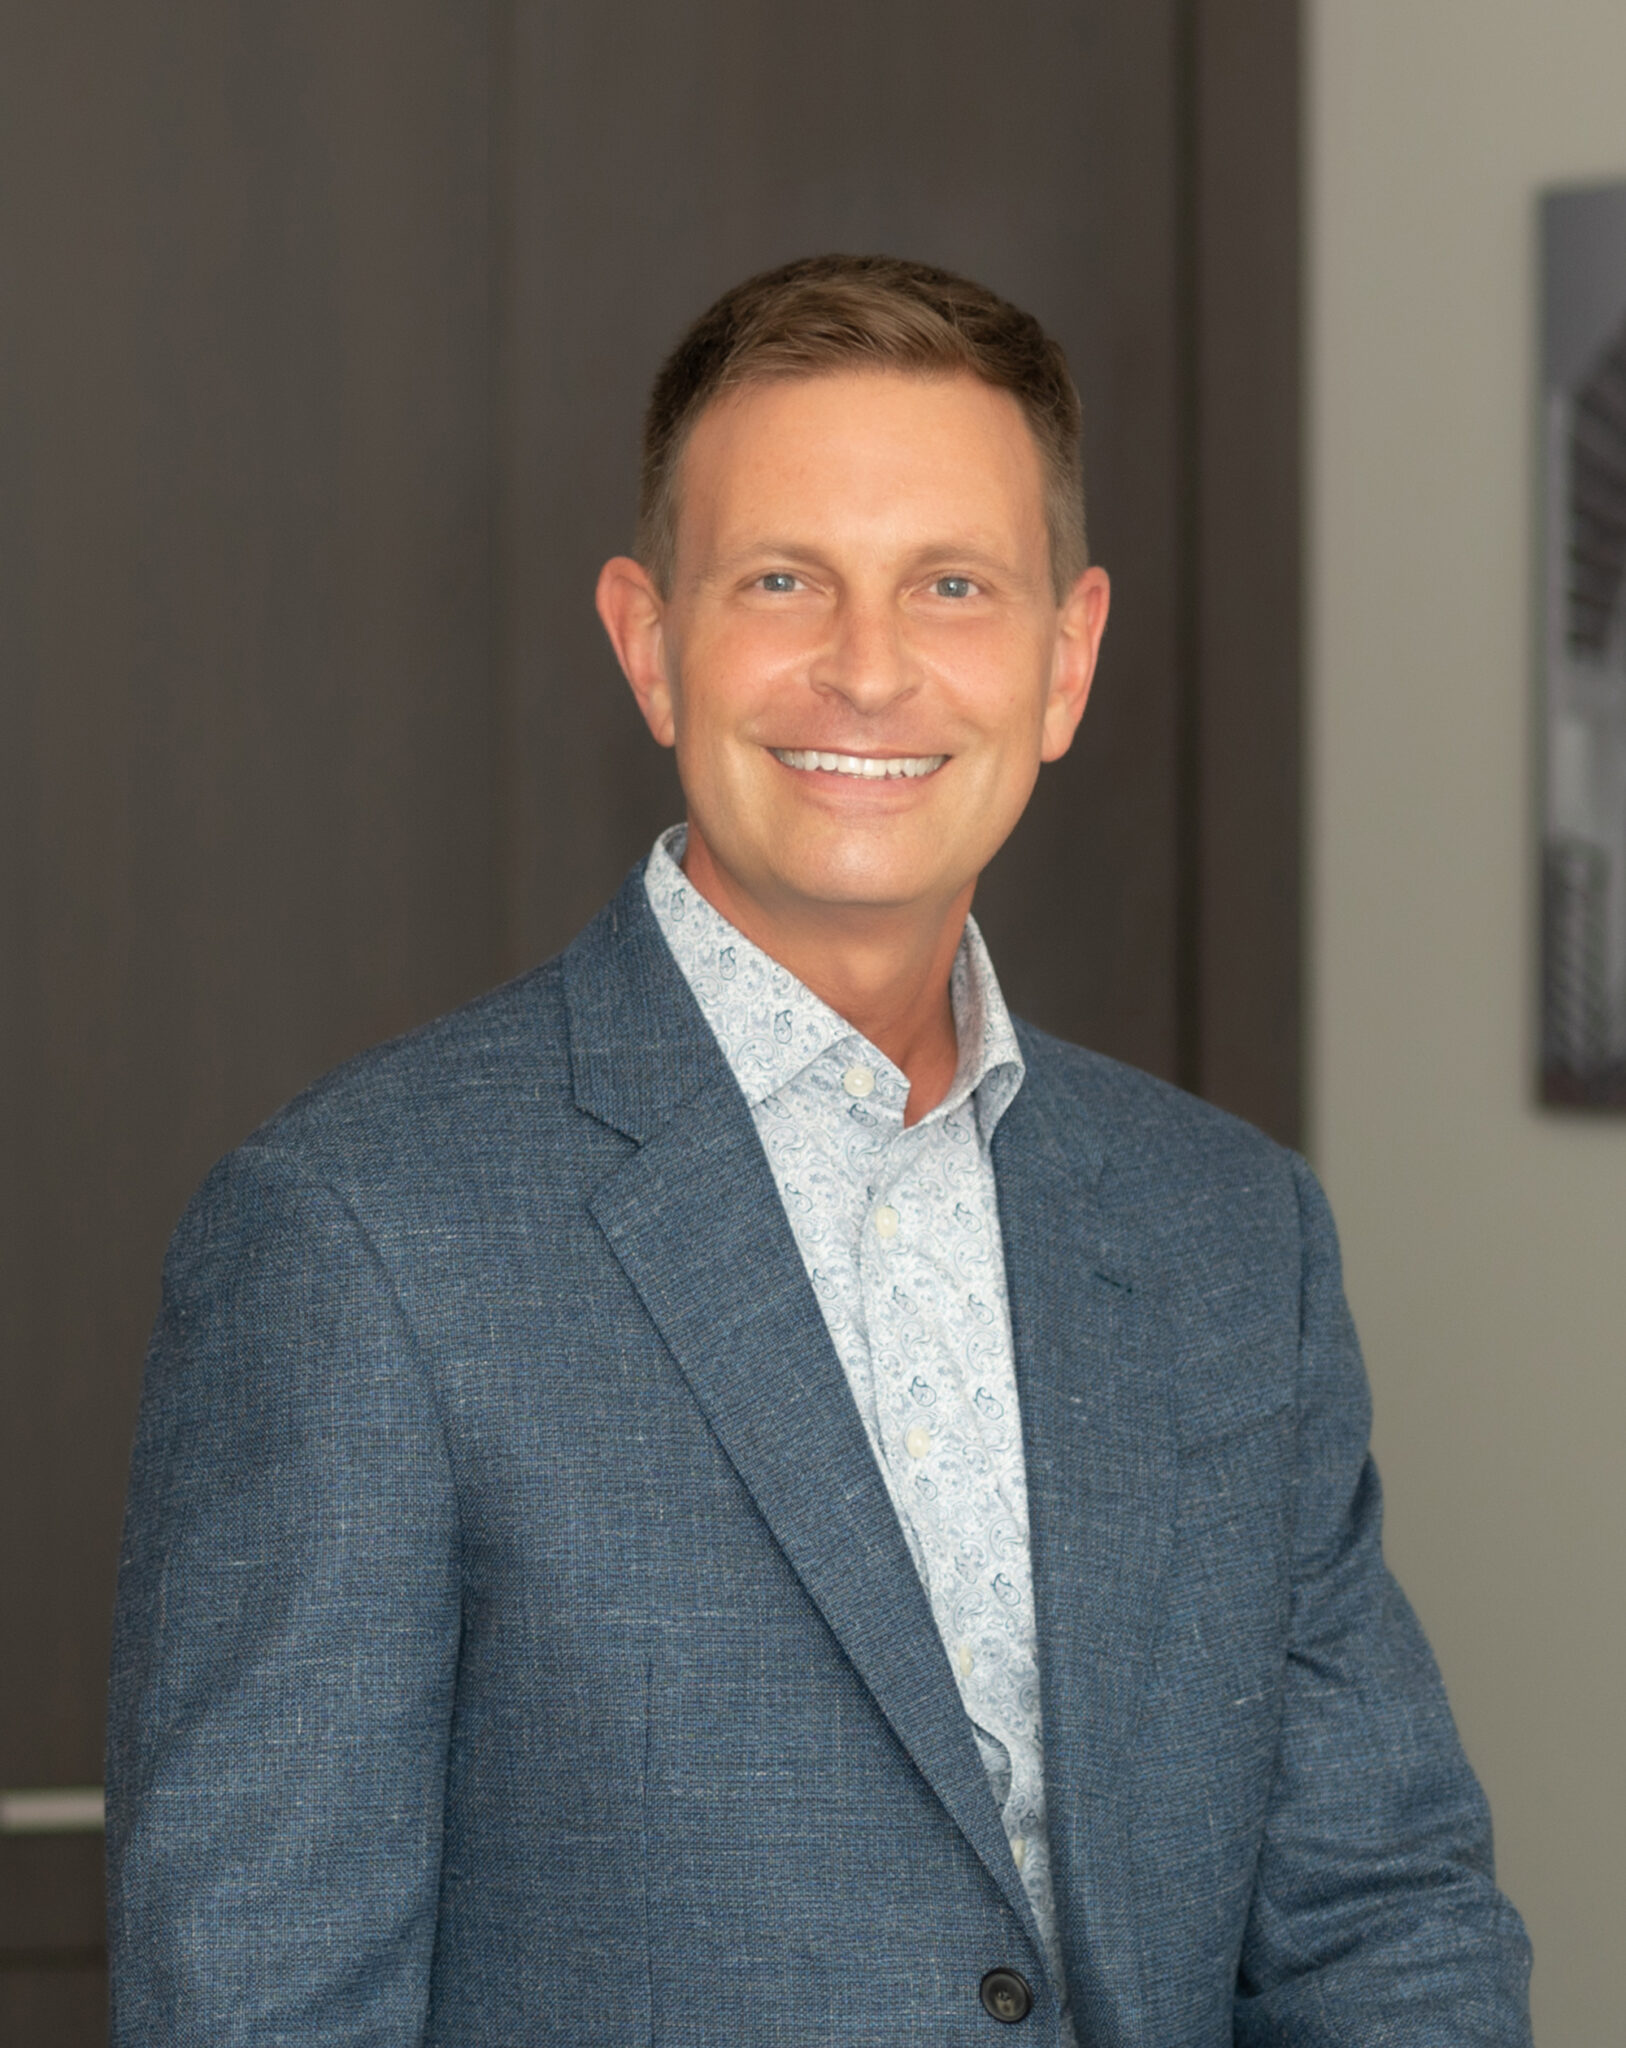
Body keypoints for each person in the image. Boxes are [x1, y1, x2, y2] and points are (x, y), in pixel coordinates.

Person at [106, 255, 1533, 2045]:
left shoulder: (1230, 1231)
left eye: (951, 585)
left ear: (1065, 656)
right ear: (648, 642)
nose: (868, 669)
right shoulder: (354, 1237)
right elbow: (260, 2008)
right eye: (782, 580)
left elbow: (1381, 1919)